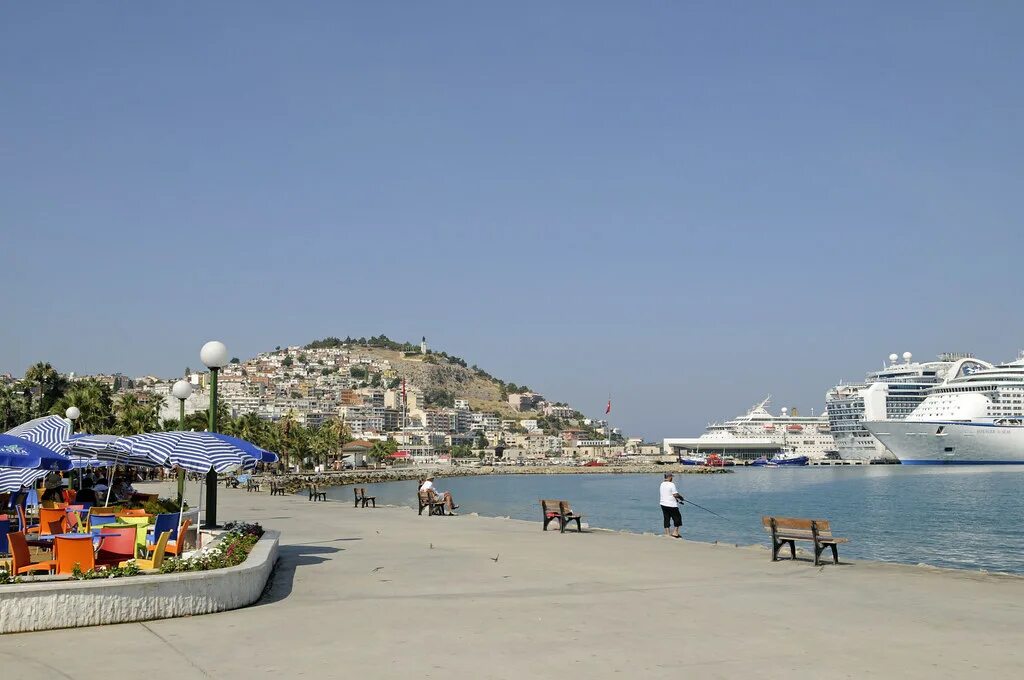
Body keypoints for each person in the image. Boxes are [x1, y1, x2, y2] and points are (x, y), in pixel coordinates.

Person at [659, 472, 684, 538]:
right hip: (671, 505)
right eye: (672, 477)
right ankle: (675, 533)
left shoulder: (662, 484)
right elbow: (675, 494)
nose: (672, 478)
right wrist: (681, 497)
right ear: (669, 477)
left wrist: (677, 499)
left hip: (663, 504)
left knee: (666, 518)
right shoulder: (671, 484)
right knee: (677, 518)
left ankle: (667, 533)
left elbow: (667, 494)